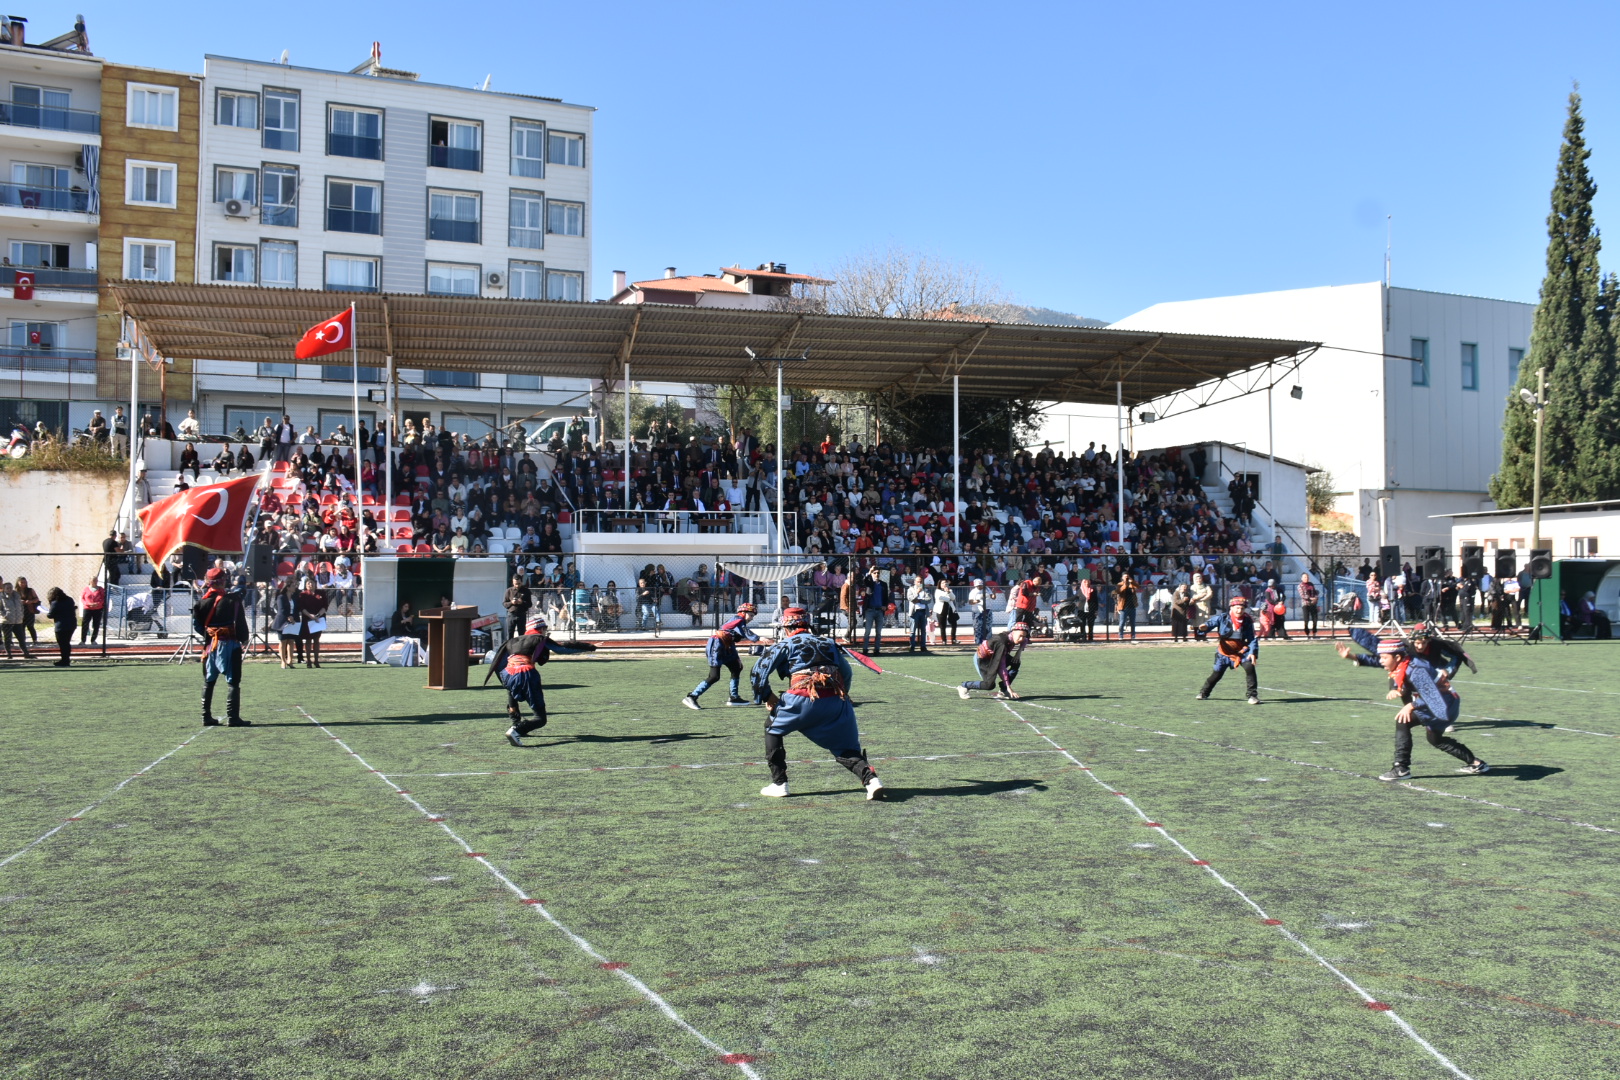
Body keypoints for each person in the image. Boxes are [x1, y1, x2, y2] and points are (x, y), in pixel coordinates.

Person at [750, 605, 886, 800]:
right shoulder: (828, 642)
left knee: (772, 729)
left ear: (786, 628)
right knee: (845, 748)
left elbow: (758, 673)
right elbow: (846, 673)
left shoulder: (786, 643)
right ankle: (871, 781)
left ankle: (779, 783)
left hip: (802, 698)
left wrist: (767, 696)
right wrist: (841, 695)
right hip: (837, 702)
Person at [1336, 629, 1487, 780]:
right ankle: (1476, 763)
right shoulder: (1404, 662)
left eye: (1384, 657)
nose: (1380, 661)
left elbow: (1433, 696)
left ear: (1397, 657)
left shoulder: (1416, 670)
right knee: (1435, 739)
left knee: (1403, 722)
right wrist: (1351, 656)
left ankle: (1401, 768)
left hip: (1444, 705)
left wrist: (1410, 706)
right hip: (1448, 703)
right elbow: (1375, 661)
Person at [496, 614, 596, 745]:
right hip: (526, 673)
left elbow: (499, 664)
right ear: (541, 629)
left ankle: (516, 723)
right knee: (540, 719)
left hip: (507, 673)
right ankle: (516, 730)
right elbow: (561, 649)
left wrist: (506, 685)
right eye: (545, 628)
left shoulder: (512, 641)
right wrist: (589, 647)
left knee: (511, 694)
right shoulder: (539, 638)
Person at [192, 567, 251, 726]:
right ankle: (233, 718)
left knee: (209, 680)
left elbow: (197, 625)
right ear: (223, 581)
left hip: (210, 646)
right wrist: (243, 638)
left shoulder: (201, 603)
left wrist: (210, 635)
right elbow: (240, 622)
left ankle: (206, 717)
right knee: (233, 681)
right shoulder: (233, 600)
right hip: (229, 644)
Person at [683, 602, 761, 708]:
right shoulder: (739, 619)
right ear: (743, 612)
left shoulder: (738, 621)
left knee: (736, 668)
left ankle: (734, 697)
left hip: (726, 646)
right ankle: (692, 696)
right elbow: (744, 630)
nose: (752, 618)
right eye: (751, 615)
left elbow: (734, 636)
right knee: (714, 676)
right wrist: (758, 638)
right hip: (717, 645)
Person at [1194, 595, 1260, 705]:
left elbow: (1252, 638)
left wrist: (1253, 652)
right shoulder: (1223, 618)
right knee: (1217, 674)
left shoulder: (1247, 620)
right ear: (1231, 608)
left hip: (1241, 651)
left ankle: (1252, 696)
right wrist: (1204, 627)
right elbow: (1210, 624)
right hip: (1224, 652)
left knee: (1250, 667)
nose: (1239, 611)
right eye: (1237, 608)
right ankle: (1204, 692)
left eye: (1242, 608)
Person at [957, 623, 1029, 699]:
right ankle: (964, 686)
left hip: (996, 656)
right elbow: (1001, 666)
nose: (1021, 639)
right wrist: (1008, 687)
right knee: (989, 685)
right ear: (1013, 632)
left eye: (1024, 636)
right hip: (984, 659)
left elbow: (1025, 640)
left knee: (1016, 663)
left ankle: (1003, 690)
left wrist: (1018, 652)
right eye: (1020, 636)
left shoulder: (1016, 637)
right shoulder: (1002, 643)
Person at [297, 577, 330, 667]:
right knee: (308, 640)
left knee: (316, 640)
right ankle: (308, 661)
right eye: (308, 583)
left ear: (315, 584)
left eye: (312, 583)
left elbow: (325, 606)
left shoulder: (321, 593)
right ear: (305, 585)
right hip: (307, 620)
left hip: (318, 620)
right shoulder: (303, 594)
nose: (310, 585)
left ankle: (316, 660)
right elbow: (302, 608)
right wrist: (310, 616)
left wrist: (318, 615)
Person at [859, 566, 888, 655]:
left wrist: (885, 605)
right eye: (875, 573)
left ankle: (877, 649)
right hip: (870, 610)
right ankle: (865, 649)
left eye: (878, 573)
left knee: (878, 632)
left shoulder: (884, 584)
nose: (876, 574)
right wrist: (869, 572)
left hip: (879, 611)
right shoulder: (869, 583)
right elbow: (864, 580)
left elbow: (886, 597)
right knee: (867, 631)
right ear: (872, 574)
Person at [273, 578, 301, 667]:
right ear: (288, 587)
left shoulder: (294, 597)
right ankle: (283, 661)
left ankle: (290, 660)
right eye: (293, 586)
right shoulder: (281, 597)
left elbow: (297, 609)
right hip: (283, 622)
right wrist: (288, 617)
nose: (295, 587)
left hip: (293, 622)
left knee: (291, 641)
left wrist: (293, 618)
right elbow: (281, 609)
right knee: (283, 641)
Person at [46, 586, 76, 666]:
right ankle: (66, 659)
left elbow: (50, 615)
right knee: (67, 643)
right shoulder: (70, 599)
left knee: (62, 644)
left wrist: (48, 612)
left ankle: (64, 660)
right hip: (71, 624)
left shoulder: (55, 603)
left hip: (61, 626)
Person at [906, 574, 934, 653]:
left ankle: (923, 646)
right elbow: (911, 599)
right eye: (918, 581)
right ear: (915, 582)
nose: (919, 583)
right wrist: (917, 593)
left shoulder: (925, 590)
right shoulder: (910, 589)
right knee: (913, 630)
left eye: (921, 582)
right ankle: (912, 646)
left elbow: (929, 599)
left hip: (923, 611)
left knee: (923, 630)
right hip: (914, 612)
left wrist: (920, 600)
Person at [0, 579, 28, 658]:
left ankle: (26, 653)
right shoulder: (1, 597)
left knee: (21, 638)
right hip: (6, 621)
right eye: (7, 588)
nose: (9, 589)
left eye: (11, 588)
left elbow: (21, 606)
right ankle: (9, 654)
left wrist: (21, 614)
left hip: (17, 621)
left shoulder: (16, 596)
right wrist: (5, 615)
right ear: (4, 589)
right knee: (8, 638)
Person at [503, 573, 532, 640]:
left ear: (521, 582)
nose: (517, 585)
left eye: (518, 583)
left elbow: (530, 604)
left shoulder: (526, 591)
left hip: (521, 614)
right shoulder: (509, 591)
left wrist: (522, 602)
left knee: (522, 635)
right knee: (509, 634)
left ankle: (521, 646)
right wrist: (511, 602)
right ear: (513, 582)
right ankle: (509, 646)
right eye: (515, 584)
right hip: (511, 614)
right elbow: (504, 604)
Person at [933, 576, 960, 645]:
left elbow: (953, 598)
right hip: (941, 610)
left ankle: (953, 639)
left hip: (950, 609)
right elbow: (940, 598)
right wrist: (948, 598)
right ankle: (944, 640)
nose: (944, 584)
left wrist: (948, 592)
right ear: (939, 584)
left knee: (954, 624)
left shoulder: (950, 590)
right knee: (942, 626)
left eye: (945, 583)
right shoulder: (937, 591)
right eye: (942, 583)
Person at [79, 577, 106, 645]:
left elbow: (103, 598)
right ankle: (83, 640)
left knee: (96, 624)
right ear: (90, 581)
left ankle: (93, 640)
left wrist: (98, 603)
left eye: (96, 580)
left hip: (97, 609)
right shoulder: (86, 589)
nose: (95, 582)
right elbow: (82, 598)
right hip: (88, 609)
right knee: (85, 624)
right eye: (94, 580)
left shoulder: (100, 589)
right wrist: (88, 604)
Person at [968, 577, 993, 645]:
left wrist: (993, 594)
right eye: (978, 586)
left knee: (988, 626)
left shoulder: (987, 589)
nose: (980, 587)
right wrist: (976, 601)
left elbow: (992, 596)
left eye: (981, 585)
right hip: (978, 611)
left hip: (987, 609)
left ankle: (988, 641)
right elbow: (970, 602)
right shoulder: (973, 592)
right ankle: (978, 641)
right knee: (978, 626)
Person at [15, 575, 39, 645]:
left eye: (24, 582)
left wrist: (30, 601)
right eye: (21, 582)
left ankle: (35, 640)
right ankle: (23, 641)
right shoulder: (15, 592)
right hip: (20, 611)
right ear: (18, 583)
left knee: (30, 626)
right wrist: (20, 601)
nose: (23, 584)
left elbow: (37, 599)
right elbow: (13, 601)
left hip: (29, 610)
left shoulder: (30, 590)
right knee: (21, 626)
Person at [1114, 572, 1138, 641]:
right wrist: (1125, 584)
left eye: (1127, 577)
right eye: (1125, 577)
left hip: (1132, 606)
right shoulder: (1120, 584)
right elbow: (1118, 591)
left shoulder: (1131, 584)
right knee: (1122, 622)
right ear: (1122, 578)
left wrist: (1131, 581)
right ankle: (1121, 635)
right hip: (1123, 607)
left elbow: (1137, 587)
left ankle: (1133, 635)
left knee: (1133, 623)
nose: (1126, 578)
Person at [1299, 573, 1320, 638]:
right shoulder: (1300, 586)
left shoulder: (1311, 584)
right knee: (1306, 619)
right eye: (1305, 577)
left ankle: (1314, 632)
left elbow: (1315, 592)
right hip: (1306, 604)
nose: (1306, 578)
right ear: (1302, 578)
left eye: (1307, 577)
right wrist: (1310, 599)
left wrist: (1315, 598)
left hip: (1313, 604)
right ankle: (1307, 633)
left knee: (1315, 619)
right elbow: (1302, 595)